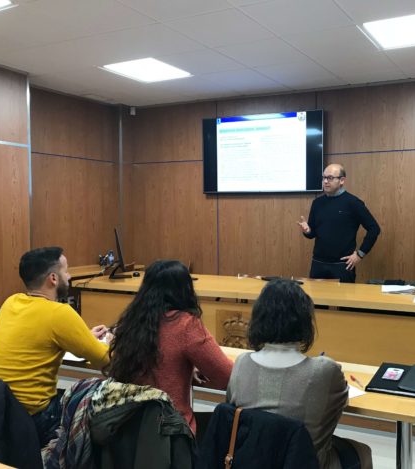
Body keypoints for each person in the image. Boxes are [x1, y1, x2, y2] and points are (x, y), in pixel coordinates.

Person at [227, 279, 373, 469]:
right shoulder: (324, 371)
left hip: (250, 461)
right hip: (304, 462)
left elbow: (232, 410)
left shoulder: (241, 363)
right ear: (304, 321)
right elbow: (340, 403)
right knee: (362, 450)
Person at [0, 246, 110, 446]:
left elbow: (36, 338)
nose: (69, 276)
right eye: (66, 271)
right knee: (93, 402)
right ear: (53, 278)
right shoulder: (59, 313)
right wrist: (113, 343)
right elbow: (106, 360)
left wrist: (84, 337)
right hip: (33, 417)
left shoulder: (10, 302)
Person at [106, 259, 233, 436]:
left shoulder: (131, 321)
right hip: (170, 433)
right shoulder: (185, 325)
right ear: (185, 289)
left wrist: (186, 367)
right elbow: (227, 376)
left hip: (127, 428)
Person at [298, 163, 380, 283]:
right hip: (318, 264)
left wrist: (360, 254)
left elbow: (374, 229)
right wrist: (308, 231)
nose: (325, 181)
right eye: (324, 178)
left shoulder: (353, 203)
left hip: (342, 265)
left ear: (342, 180)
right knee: (316, 296)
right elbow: (312, 234)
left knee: (344, 296)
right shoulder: (317, 203)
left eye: (330, 178)